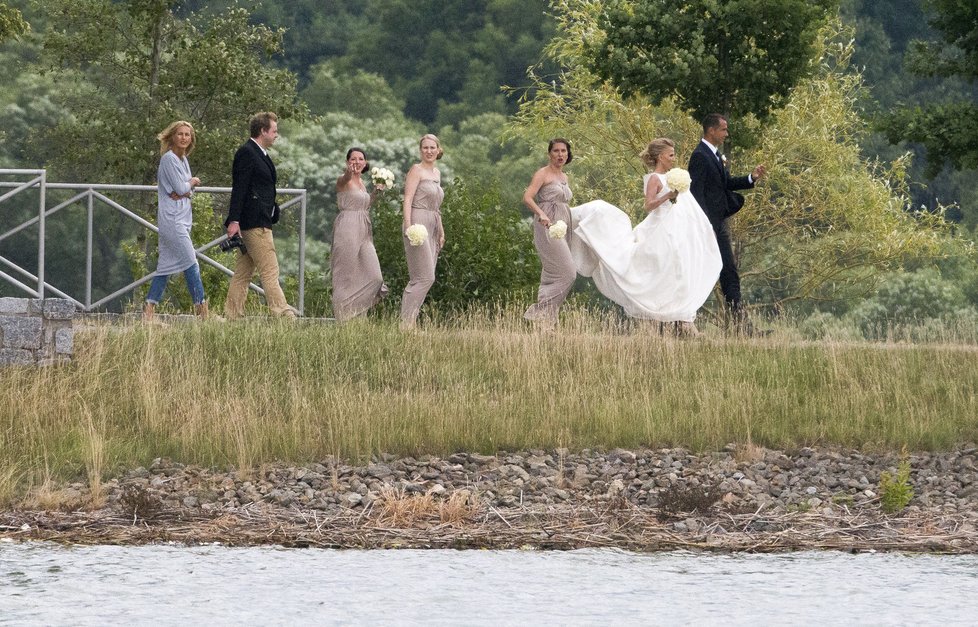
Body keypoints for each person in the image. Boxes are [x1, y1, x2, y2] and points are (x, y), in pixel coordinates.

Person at [570, 139, 722, 335]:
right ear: (660, 156)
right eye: (671, 155)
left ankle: (682, 319)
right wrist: (668, 196)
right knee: (656, 272)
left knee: (678, 271)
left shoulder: (673, 177)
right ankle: (654, 319)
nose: (674, 159)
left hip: (675, 228)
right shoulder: (654, 179)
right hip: (659, 228)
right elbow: (648, 205)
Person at [688, 114, 766, 331]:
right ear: (711, 130)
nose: (726, 134)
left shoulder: (715, 155)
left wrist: (751, 178)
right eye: (723, 130)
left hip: (718, 224)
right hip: (707, 226)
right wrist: (706, 227)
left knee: (729, 271)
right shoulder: (699, 156)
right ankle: (679, 321)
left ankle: (743, 326)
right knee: (696, 272)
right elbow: (697, 195)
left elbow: (726, 184)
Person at [224, 111, 296, 320]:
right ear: (263, 131)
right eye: (274, 131)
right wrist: (234, 220)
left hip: (260, 219)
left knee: (243, 273)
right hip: (254, 223)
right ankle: (281, 312)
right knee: (270, 269)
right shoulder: (247, 153)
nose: (276, 135)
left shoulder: (260, 153)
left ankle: (232, 314)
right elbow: (240, 188)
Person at [143, 120, 208, 321]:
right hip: (172, 219)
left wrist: (186, 189)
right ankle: (202, 310)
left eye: (187, 135)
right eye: (180, 134)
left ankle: (148, 312)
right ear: (172, 136)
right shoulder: (169, 159)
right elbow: (181, 189)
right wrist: (191, 183)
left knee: (165, 266)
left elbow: (184, 191)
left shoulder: (183, 160)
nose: (184, 138)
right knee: (191, 262)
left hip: (183, 217)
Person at [523, 138, 576, 328]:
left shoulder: (564, 178)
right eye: (556, 151)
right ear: (549, 154)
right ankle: (538, 312)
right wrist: (542, 214)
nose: (560, 154)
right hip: (548, 225)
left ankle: (547, 324)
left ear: (568, 154)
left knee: (552, 274)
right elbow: (527, 197)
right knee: (569, 273)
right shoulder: (542, 174)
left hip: (563, 224)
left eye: (563, 151)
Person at [331, 147, 389, 320]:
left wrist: (376, 193)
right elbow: (345, 179)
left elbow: (364, 204)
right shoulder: (344, 180)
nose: (356, 162)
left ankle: (356, 311)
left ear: (365, 163)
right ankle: (343, 317)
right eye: (353, 159)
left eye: (360, 159)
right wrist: (349, 173)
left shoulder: (362, 183)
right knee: (346, 273)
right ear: (347, 162)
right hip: (347, 226)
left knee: (374, 276)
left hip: (364, 228)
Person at [400, 134, 445, 328]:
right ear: (421, 150)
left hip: (433, 222)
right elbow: (408, 199)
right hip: (417, 222)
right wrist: (409, 226)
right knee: (424, 276)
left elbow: (436, 206)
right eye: (425, 148)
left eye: (432, 147)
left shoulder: (436, 173)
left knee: (427, 275)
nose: (429, 151)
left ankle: (409, 322)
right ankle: (406, 323)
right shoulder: (416, 170)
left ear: (438, 150)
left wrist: (441, 230)